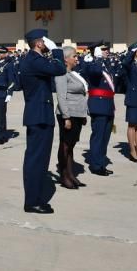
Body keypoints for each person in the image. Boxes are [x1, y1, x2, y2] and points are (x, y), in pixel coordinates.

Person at [20, 29, 66, 214]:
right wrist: (56, 51)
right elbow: (60, 70)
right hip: (39, 116)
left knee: (39, 159)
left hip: (40, 114)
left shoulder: (34, 60)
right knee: (36, 160)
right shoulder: (34, 60)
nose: (48, 44)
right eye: (46, 41)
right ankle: (32, 201)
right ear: (39, 44)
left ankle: (35, 197)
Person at [78, 41, 116, 176]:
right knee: (98, 137)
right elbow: (94, 72)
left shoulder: (105, 64)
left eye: (106, 49)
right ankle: (95, 165)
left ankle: (101, 163)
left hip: (108, 104)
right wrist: (97, 58)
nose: (107, 51)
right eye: (103, 49)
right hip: (98, 105)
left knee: (105, 137)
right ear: (96, 51)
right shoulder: (91, 64)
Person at [55, 46, 88, 189]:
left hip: (78, 114)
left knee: (71, 145)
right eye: (74, 56)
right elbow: (61, 97)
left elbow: (82, 94)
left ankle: (70, 174)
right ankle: (64, 176)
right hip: (68, 115)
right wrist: (66, 117)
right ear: (66, 59)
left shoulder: (73, 73)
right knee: (65, 145)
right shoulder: (62, 74)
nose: (77, 58)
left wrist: (84, 113)